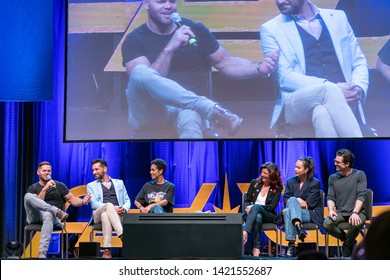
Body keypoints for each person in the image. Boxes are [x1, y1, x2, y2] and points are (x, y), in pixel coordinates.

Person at [121, 0, 279, 139]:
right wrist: (170, 48)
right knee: (140, 72)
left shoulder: (194, 30)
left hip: (188, 109)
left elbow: (226, 62)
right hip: (152, 111)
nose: (169, 6)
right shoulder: (134, 39)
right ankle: (211, 109)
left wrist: (258, 68)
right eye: (161, 2)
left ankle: (194, 168)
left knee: (190, 120)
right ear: (146, 3)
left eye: (172, 1)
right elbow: (147, 85)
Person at [260, 0, 369, 137]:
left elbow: (358, 61)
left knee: (322, 113)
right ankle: (359, 148)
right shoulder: (270, 29)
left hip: (345, 98)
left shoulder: (338, 17)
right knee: (328, 90)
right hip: (297, 102)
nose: (280, 1)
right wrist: (335, 89)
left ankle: (333, 156)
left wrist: (358, 88)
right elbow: (285, 78)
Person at [24, 161, 90, 259]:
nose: (47, 173)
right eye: (44, 171)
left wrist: (82, 201)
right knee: (28, 196)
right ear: (38, 172)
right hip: (35, 216)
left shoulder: (59, 186)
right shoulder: (33, 187)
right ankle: (56, 210)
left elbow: (72, 200)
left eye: (49, 171)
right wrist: (45, 189)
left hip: (52, 218)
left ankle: (42, 253)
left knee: (47, 214)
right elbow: (38, 204)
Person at [323, 149, 367, 258]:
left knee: (356, 222)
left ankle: (346, 246)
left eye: (338, 162)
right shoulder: (333, 177)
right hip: (341, 212)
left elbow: (361, 195)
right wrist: (331, 210)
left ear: (347, 164)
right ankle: (349, 241)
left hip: (358, 211)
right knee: (327, 224)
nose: (335, 164)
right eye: (335, 161)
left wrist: (355, 212)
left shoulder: (359, 175)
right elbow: (330, 197)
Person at [87, 158, 131, 259]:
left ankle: (106, 250)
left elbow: (127, 200)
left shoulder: (119, 183)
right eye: (93, 170)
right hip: (97, 215)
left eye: (97, 169)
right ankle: (122, 234)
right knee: (108, 206)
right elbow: (93, 204)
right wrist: (112, 207)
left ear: (105, 169)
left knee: (105, 215)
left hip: (117, 216)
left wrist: (123, 209)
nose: (94, 172)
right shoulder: (91, 186)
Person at [282, 156, 323, 257]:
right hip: (295, 212)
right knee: (288, 210)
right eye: (295, 167)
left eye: (298, 167)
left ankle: (291, 244)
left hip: (310, 214)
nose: (295, 169)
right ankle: (298, 228)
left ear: (306, 169)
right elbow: (285, 200)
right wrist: (297, 201)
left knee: (290, 207)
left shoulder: (315, 183)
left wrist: (295, 201)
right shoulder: (290, 181)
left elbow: (309, 204)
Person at [242, 162, 283, 257]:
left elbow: (272, 206)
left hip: (268, 215)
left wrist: (254, 207)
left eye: (265, 173)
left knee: (256, 207)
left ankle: (245, 232)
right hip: (253, 215)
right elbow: (247, 200)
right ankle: (256, 248)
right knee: (258, 217)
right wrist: (248, 208)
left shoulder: (277, 187)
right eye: (262, 172)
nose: (262, 175)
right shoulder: (254, 183)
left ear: (272, 175)